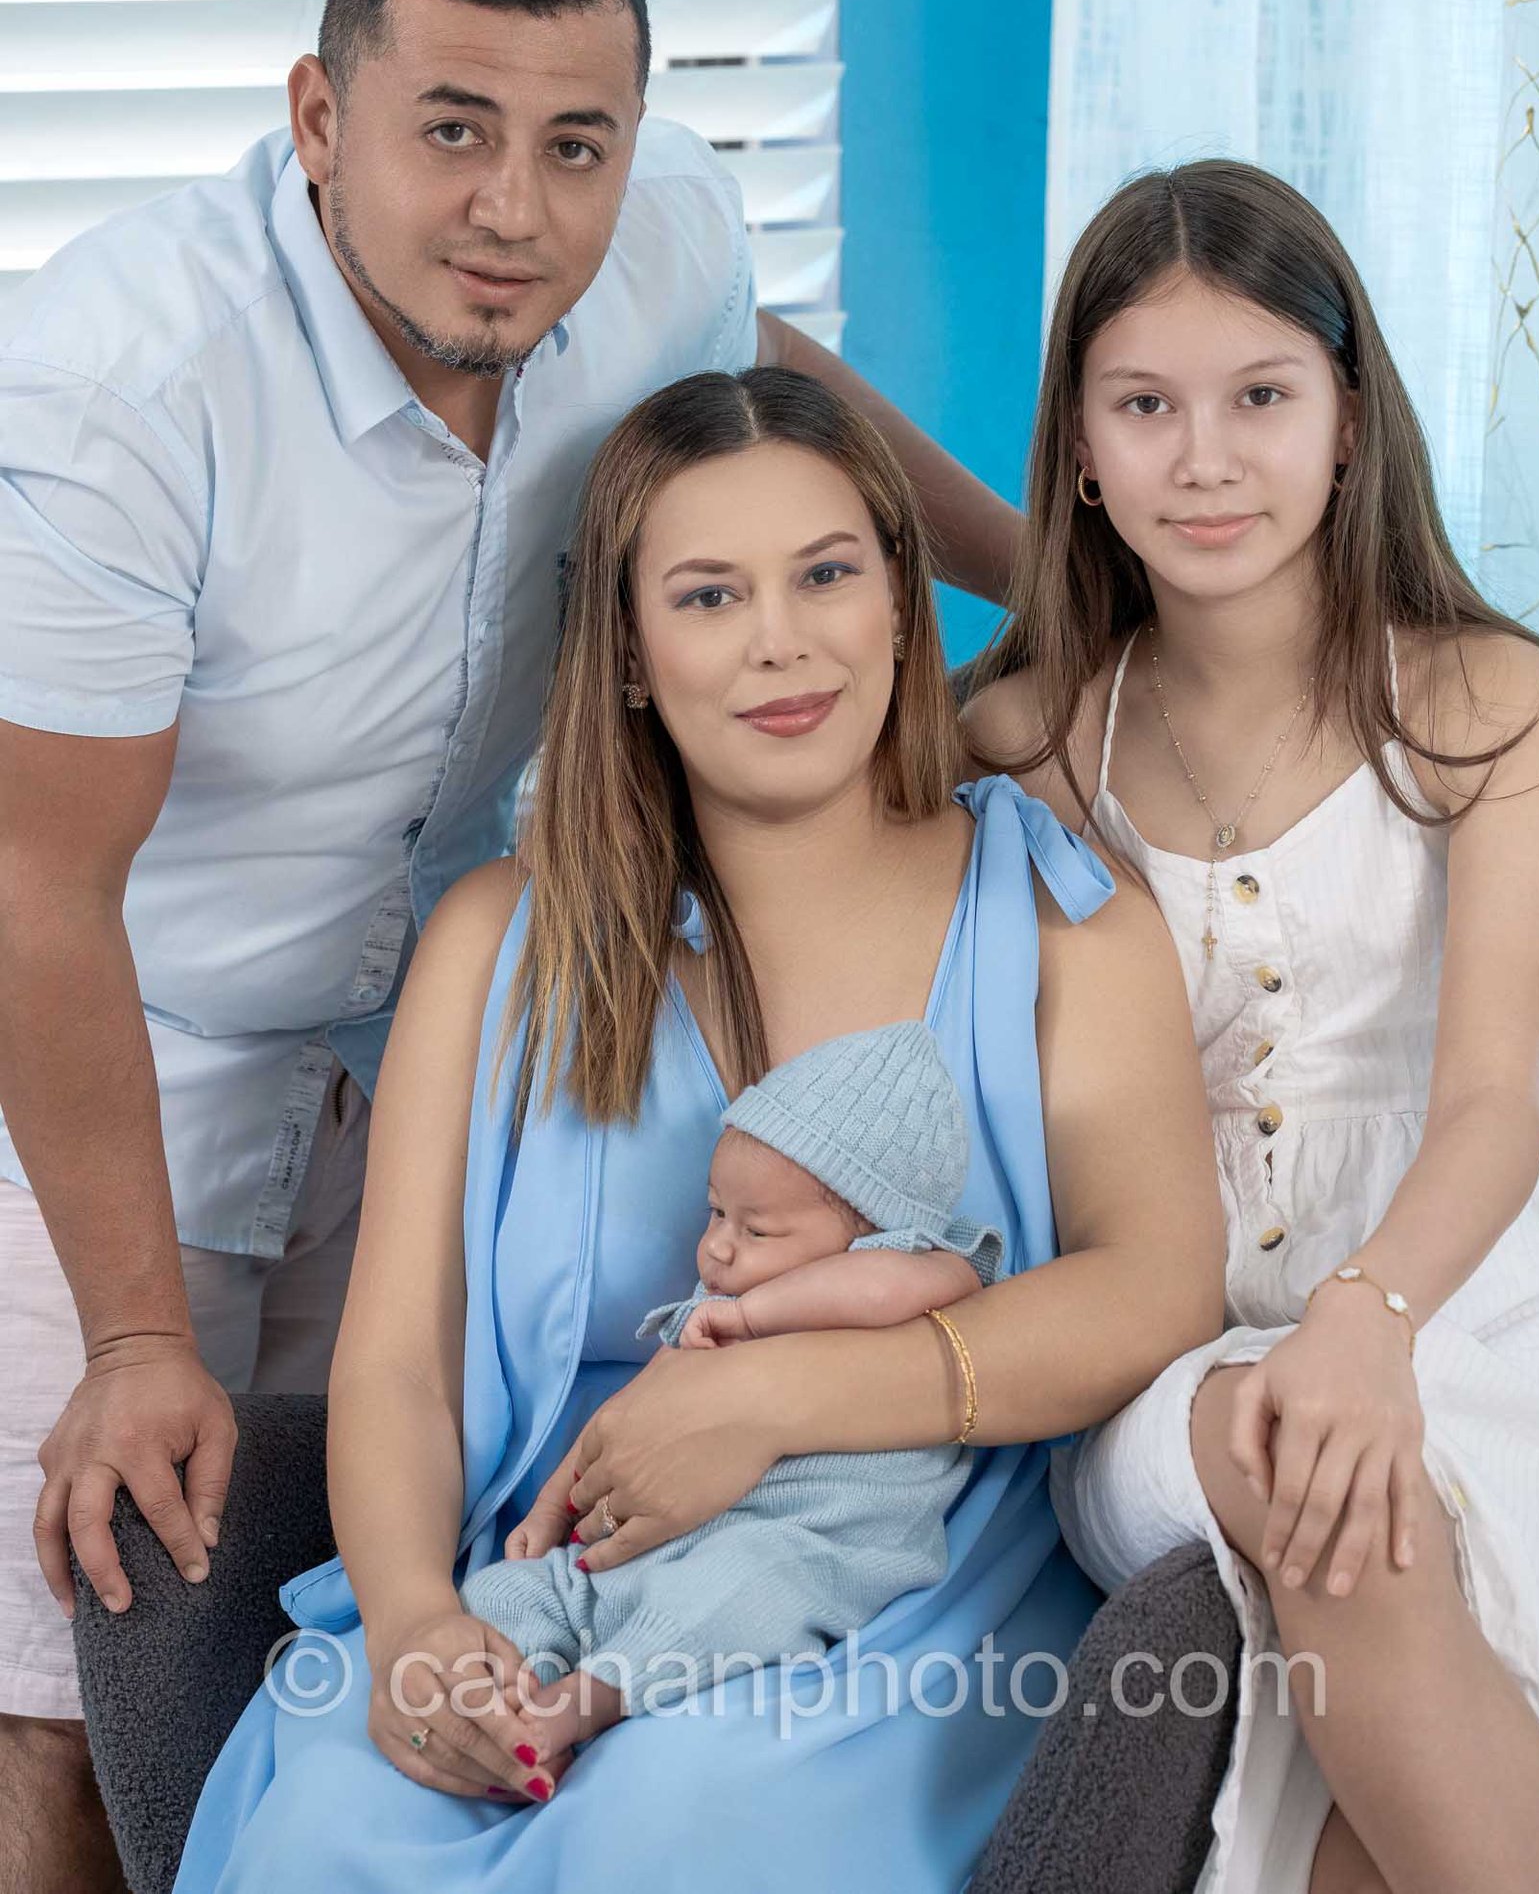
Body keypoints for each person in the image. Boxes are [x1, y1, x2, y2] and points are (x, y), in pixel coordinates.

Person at [0, 0, 1021, 1894]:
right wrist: (129, 1337)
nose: (517, 212)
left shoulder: (661, 238)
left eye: (576, 146)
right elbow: (39, 889)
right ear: (319, 116)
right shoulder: (120, 383)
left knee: (347, 1579)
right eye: (450, 131)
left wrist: (1050, 590)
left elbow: (761, 375)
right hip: (127, 1047)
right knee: (61, 1682)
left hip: (418, 1048)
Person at [173, 365, 1223, 1890]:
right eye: (710, 595)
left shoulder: (1061, 915)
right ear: (630, 652)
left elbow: (1156, 1288)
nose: (780, 640)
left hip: (895, 1581)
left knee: (669, 1827)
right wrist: (413, 1628)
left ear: (900, 598)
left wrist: (774, 1397)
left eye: (828, 574)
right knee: (336, 1835)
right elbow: (399, 1361)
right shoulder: (497, 940)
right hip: (541, 1581)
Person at [965, 161, 1539, 1894]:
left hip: (1482, 1282)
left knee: (1380, 1675)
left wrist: (1368, 1324)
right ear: (1078, 450)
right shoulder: (1024, 745)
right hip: (1166, 1345)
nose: (1205, 460)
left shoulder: (1484, 704)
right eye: (1145, 407)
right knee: (1298, 1459)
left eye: (1260, 397)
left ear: (1347, 421)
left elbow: (1493, 1101)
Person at [461, 1018, 1003, 1711]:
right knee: (500, 1593)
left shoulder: (914, 1275)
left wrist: (751, 1316)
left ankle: (581, 1707)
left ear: (878, 1235)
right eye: (716, 1213)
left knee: (739, 1590)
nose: (718, 1246)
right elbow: (625, 1420)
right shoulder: (711, 1308)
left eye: (756, 1229)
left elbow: (886, 1287)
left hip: (799, 1547)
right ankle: (518, 1699)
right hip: (653, 1550)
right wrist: (548, 1510)